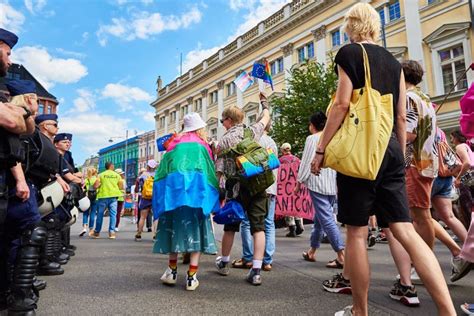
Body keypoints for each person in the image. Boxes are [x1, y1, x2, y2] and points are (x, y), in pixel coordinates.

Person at [310, 4, 455, 315]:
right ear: (375, 26)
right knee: (405, 230)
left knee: (357, 232)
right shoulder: (394, 62)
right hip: (390, 150)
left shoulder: (349, 54)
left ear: (351, 27)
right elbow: (401, 116)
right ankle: (446, 309)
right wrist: (398, 155)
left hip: (360, 153)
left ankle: (360, 310)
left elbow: (341, 105)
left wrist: (321, 149)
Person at [153, 112, 218, 291]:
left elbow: (161, 172)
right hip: (197, 196)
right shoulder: (203, 145)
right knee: (196, 231)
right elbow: (210, 172)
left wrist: (160, 196)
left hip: (174, 195)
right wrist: (214, 195)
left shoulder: (173, 144)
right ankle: (191, 277)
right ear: (200, 128)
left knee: (174, 230)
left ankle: (172, 271)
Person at [214, 94, 271, 286]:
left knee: (230, 226)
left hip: (236, 188)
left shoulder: (223, 142)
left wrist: (218, 190)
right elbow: (265, 118)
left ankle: (224, 263)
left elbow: (219, 171)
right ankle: (256, 270)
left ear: (229, 120)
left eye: (223, 120)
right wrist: (265, 104)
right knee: (258, 227)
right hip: (257, 183)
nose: (222, 123)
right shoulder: (252, 131)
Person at [295, 111, 344, 268]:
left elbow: (306, 161)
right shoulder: (333, 136)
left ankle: (341, 255)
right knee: (319, 219)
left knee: (326, 219)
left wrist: (299, 182)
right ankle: (312, 251)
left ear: (313, 125)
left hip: (317, 182)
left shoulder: (312, 139)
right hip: (331, 183)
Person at [234, 116, 278, 271]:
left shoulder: (253, 141)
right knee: (269, 223)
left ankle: (249, 257)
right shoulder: (272, 142)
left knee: (247, 223)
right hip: (271, 187)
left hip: (255, 188)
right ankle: (267, 260)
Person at [279, 143, 304, 237]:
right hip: (296, 185)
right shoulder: (297, 160)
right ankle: (299, 224)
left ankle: (292, 227)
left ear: (282, 150)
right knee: (296, 204)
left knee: (287, 205)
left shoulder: (280, 160)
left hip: (285, 186)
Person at [93, 161, 122, 239]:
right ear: (111, 166)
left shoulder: (101, 175)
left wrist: (99, 186)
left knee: (100, 215)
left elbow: (95, 186)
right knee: (113, 215)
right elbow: (121, 186)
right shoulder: (117, 175)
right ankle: (111, 232)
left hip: (103, 196)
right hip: (113, 197)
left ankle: (97, 232)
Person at [451, 131, 473, 223]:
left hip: (468, 178)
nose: (451, 140)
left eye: (451, 138)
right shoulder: (467, 146)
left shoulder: (459, 147)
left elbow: (467, 163)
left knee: (468, 205)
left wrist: (458, 177)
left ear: (456, 138)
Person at [134, 159, 157, 241]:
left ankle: (139, 234)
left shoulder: (143, 175)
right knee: (156, 217)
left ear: (148, 166)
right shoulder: (158, 174)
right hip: (155, 197)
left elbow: (139, 186)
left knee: (142, 217)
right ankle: (155, 236)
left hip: (145, 198)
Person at [81, 167, 98, 237]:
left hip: (87, 197)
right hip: (95, 197)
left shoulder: (86, 179)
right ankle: (91, 230)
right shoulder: (97, 179)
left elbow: (82, 187)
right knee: (93, 213)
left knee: (85, 212)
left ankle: (84, 227)